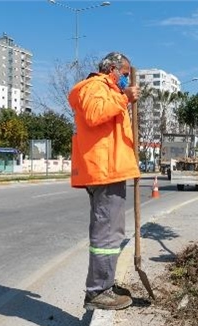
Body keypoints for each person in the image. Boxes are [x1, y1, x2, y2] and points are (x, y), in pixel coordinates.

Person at [68, 52, 140, 310]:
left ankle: (104, 284)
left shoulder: (108, 90)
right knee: (107, 232)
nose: (126, 80)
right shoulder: (94, 87)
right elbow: (95, 114)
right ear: (112, 69)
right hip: (104, 170)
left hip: (111, 169)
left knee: (111, 230)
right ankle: (98, 291)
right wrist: (125, 97)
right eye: (125, 74)